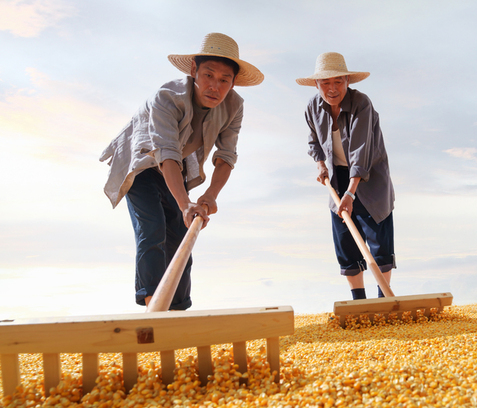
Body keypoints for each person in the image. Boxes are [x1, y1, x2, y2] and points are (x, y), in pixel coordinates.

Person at [100, 33, 263, 310]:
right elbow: (166, 154)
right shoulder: (167, 98)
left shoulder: (234, 106)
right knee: (153, 230)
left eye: (224, 79)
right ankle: (154, 308)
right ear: (193, 71)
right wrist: (186, 203)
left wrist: (210, 195)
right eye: (208, 75)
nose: (215, 86)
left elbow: (226, 156)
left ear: (233, 83)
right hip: (142, 162)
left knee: (181, 234)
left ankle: (177, 309)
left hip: (177, 169)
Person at [297, 52, 396, 300]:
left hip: (369, 176)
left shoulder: (361, 104)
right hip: (337, 177)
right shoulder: (313, 107)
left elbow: (361, 152)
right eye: (326, 83)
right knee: (345, 239)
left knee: (377, 238)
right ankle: (359, 303)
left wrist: (351, 193)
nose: (332, 89)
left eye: (338, 82)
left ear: (347, 81)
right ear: (317, 84)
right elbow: (313, 142)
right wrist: (320, 164)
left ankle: (384, 300)